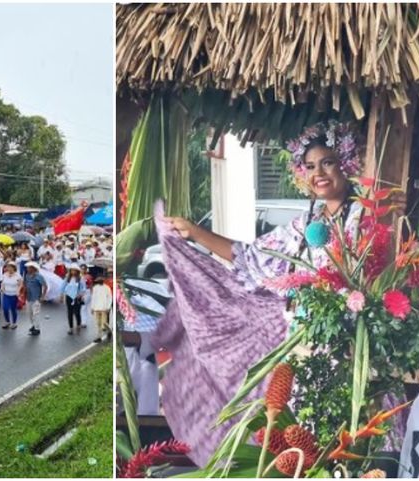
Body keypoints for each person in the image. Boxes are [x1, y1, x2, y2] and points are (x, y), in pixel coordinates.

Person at [158, 120, 368, 465]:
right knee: (303, 437)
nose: (319, 173)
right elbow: (251, 257)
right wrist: (194, 232)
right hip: (303, 344)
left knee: (345, 435)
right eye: (311, 166)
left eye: (328, 162)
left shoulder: (365, 216)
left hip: (349, 347)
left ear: (345, 162)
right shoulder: (305, 224)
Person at [22, 262, 47, 336]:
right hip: (29, 297)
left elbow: (45, 286)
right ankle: (33, 325)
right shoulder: (27, 276)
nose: (27, 269)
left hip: (36, 298)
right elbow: (25, 285)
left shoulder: (39, 276)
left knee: (36, 314)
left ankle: (37, 329)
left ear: (33, 268)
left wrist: (42, 296)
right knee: (29, 313)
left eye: (29, 267)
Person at [60, 264, 86, 336]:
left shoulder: (80, 278)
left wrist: (80, 294)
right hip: (69, 296)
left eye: (74, 270)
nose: (73, 272)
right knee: (70, 313)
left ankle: (78, 325)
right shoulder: (67, 278)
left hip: (77, 297)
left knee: (77, 312)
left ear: (77, 271)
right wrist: (61, 295)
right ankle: (71, 328)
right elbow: (63, 286)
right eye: (72, 270)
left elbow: (83, 288)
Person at [0, 262, 23, 330]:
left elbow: (20, 284)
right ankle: (7, 322)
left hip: (13, 295)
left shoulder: (17, 276)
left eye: (10, 267)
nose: (9, 268)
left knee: (13, 309)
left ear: (14, 268)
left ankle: (14, 323)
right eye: (8, 267)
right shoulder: (4, 275)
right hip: (6, 294)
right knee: (5, 308)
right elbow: (2, 283)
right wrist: (2, 288)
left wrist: (18, 290)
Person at [90, 277, 112, 343]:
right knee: (98, 324)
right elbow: (93, 298)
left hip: (104, 308)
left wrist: (108, 307)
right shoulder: (95, 288)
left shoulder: (107, 288)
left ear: (103, 281)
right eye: (98, 281)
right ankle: (99, 337)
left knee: (104, 323)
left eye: (100, 281)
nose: (99, 282)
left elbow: (110, 297)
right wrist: (92, 307)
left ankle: (109, 331)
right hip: (96, 308)